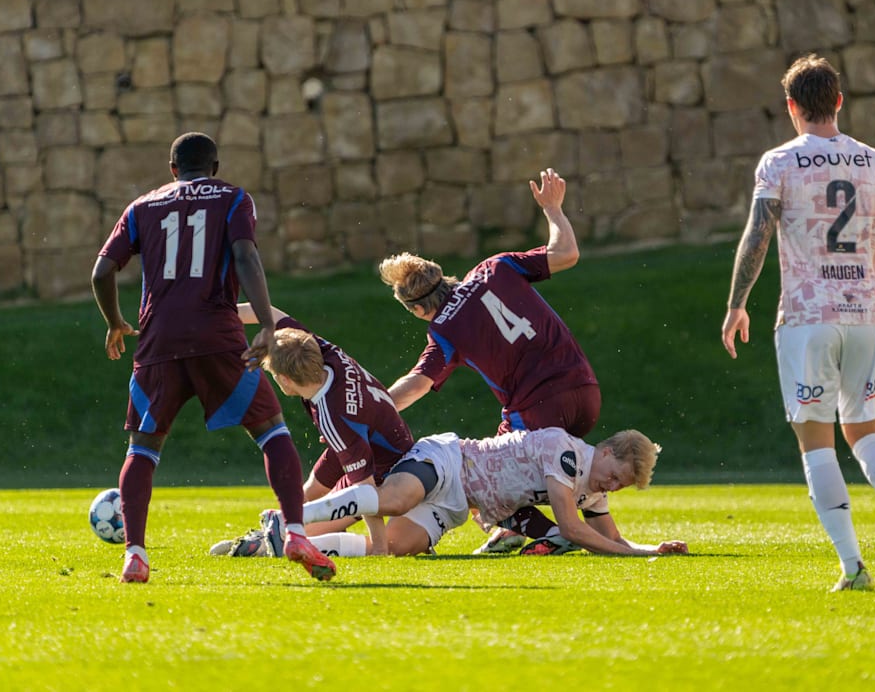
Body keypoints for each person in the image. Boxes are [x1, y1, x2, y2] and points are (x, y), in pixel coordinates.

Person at [720, 55, 875, 592]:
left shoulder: (779, 162)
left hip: (806, 318)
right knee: (866, 433)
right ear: (839, 101)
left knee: (816, 443)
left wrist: (737, 303)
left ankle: (853, 568)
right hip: (868, 317)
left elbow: (757, 236)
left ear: (791, 106)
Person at [91, 132, 335, 583]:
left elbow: (102, 270)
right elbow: (245, 255)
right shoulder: (234, 198)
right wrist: (266, 323)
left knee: (142, 447)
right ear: (215, 167)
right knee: (272, 430)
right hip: (218, 337)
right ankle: (296, 533)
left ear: (172, 170)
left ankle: (135, 554)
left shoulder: (141, 207)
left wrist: (114, 321)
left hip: (158, 342)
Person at [378, 168, 600, 556]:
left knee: (472, 477)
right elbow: (567, 253)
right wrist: (553, 209)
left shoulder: (444, 328)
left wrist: (374, 406)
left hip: (538, 410)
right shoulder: (495, 267)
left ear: (416, 309)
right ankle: (512, 532)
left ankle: (553, 533)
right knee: (519, 460)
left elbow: (417, 383)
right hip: (586, 393)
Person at [215, 427, 688, 558]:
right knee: (393, 499)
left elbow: (612, 538)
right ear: (605, 451)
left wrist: (652, 550)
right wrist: (631, 556)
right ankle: (288, 518)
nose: (612, 487)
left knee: (392, 548)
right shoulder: (567, 453)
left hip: (457, 503)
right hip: (448, 461)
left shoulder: (593, 489)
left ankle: (270, 546)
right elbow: (571, 529)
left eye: (622, 486)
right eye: (616, 475)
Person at [237, 303, 416, 554]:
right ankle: (273, 530)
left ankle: (271, 540)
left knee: (303, 531)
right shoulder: (319, 350)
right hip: (370, 439)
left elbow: (365, 490)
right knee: (306, 494)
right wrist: (218, 316)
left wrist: (380, 547)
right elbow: (268, 312)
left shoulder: (336, 417)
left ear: (285, 379)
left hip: (386, 465)